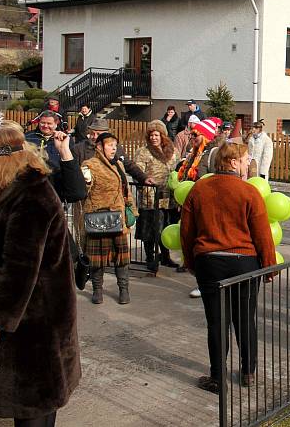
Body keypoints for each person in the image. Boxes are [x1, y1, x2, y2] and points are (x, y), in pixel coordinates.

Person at [0, 118, 81, 427]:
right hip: (37, 320)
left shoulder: (30, 197)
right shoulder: (16, 189)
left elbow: (19, 270)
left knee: (35, 406)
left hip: (37, 324)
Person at [180, 141, 276, 394]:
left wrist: (191, 262)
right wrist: (269, 266)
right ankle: (248, 372)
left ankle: (217, 377)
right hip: (244, 261)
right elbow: (262, 234)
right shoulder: (248, 192)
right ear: (233, 162)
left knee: (216, 321)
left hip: (209, 262)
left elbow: (186, 232)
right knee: (245, 319)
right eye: (245, 160)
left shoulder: (199, 190)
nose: (247, 165)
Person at [81, 133, 138, 305]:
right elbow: (85, 190)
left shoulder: (119, 164)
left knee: (122, 258)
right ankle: (97, 291)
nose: (113, 148)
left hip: (118, 218)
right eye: (109, 145)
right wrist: (86, 179)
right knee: (97, 259)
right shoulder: (90, 165)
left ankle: (124, 290)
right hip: (98, 218)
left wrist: (132, 212)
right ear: (99, 146)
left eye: (115, 145)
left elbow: (125, 191)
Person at [133, 120, 180, 271]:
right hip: (150, 197)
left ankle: (165, 256)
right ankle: (150, 258)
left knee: (166, 227)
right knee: (150, 229)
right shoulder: (143, 152)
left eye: (156, 135)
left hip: (168, 196)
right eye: (151, 135)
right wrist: (144, 180)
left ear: (163, 136)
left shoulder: (173, 151)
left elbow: (178, 169)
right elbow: (137, 172)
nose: (154, 138)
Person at [72, 118, 152, 185]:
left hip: (111, 192)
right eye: (92, 133)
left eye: (98, 134)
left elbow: (128, 165)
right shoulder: (78, 149)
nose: (95, 137)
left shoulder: (115, 148)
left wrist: (143, 178)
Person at [177, 118, 219, 183]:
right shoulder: (193, 154)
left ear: (205, 136)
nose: (192, 137)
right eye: (191, 134)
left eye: (195, 135)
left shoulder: (214, 153)